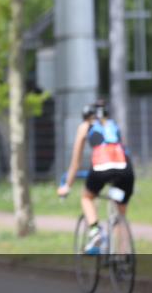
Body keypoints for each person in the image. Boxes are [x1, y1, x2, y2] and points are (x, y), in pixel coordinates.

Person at [57, 98, 136, 254]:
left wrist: (67, 186)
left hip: (101, 168)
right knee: (121, 213)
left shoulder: (86, 126)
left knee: (87, 197)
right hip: (126, 170)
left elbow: (75, 163)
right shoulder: (113, 125)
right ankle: (123, 257)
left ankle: (95, 233)